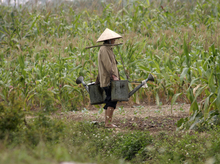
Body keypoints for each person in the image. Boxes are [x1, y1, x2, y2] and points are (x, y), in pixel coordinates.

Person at [96, 28, 122, 128]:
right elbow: (108, 65)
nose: (114, 41)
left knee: (110, 99)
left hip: (109, 79)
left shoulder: (108, 49)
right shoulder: (104, 49)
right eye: (113, 39)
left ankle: (107, 123)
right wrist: (113, 76)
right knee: (111, 100)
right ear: (109, 40)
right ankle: (108, 123)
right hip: (108, 80)